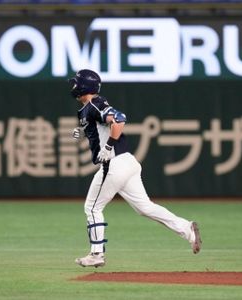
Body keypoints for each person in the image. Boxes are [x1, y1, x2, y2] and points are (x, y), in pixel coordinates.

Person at [69, 69, 202, 268]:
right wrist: (82, 131)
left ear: (83, 86)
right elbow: (98, 124)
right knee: (145, 207)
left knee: (92, 207)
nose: (73, 86)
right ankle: (187, 229)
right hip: (128, 162)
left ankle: (97, 253)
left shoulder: (95, 105)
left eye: (76, 83)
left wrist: (107, 146)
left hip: (114, 163)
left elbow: (119, 119)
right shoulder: (90, 107)